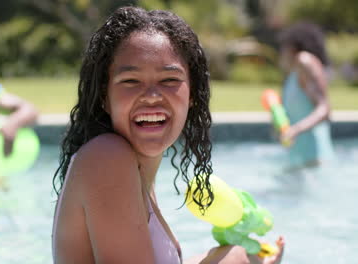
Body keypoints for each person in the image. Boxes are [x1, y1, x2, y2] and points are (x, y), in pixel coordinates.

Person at [51, 6, 284, 264]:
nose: (151, 95)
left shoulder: (134, 172)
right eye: (130, 81)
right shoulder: (107, 158)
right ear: (105, 97)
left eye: (169, 80)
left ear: (192, 94)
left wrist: (243, 257)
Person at [277, 22, 335, 169]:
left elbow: (324, 109)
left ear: (292, 47)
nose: (281, 51)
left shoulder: (305, 60)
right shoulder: (293, 75)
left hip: (315, 160)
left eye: (284, 46)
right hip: (300, 160)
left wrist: (295, 130)